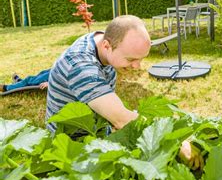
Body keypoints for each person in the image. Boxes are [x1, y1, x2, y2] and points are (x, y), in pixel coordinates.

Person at [45, 15, 203, 169]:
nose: (137, 67)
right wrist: (176, 141)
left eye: (141, 59)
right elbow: (121, 119)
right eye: (130, 59)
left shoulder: (102, 41)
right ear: (107, 46)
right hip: (70, 148)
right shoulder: (81, 66)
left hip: (97, 130)